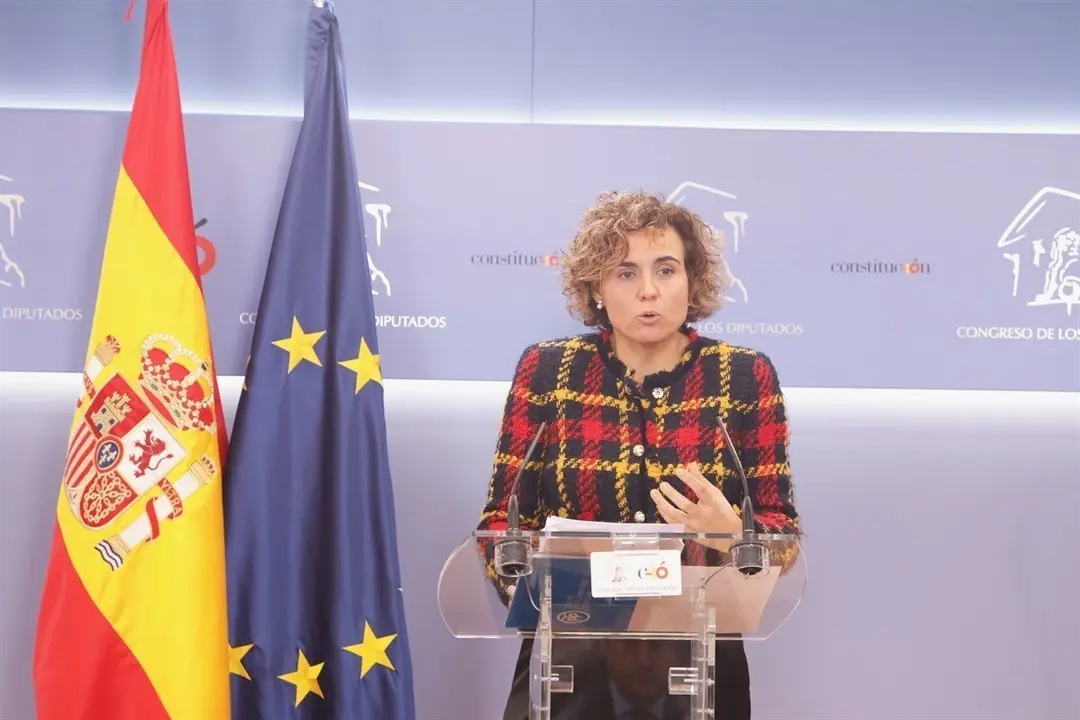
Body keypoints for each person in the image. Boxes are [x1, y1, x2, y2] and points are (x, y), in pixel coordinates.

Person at [477, 190, 801, 720]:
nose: (648, 290)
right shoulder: (548, 371)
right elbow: (500, 525)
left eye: (666, 270)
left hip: (701, 660)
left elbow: (782, 534)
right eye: (625, 273)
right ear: (596, 289)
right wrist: (534, 592)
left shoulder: (745, 376)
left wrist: (732, 532)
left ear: (692, 280)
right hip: (568, 659)